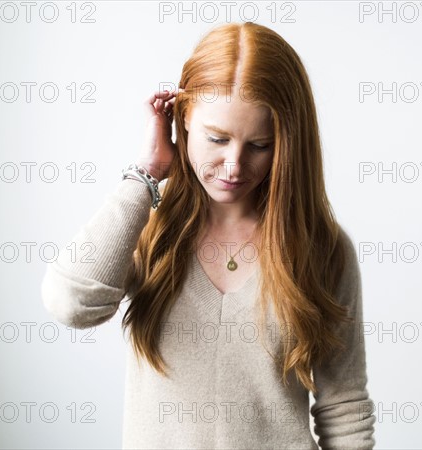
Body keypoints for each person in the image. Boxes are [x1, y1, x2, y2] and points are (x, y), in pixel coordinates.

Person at [41, 21, 376, 449]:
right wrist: (144, 177)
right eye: (217, 138)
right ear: (180, 121)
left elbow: (343, 406)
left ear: (287, 143)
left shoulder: (323, 250)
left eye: (259, 145)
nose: (234, 165)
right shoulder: (147, 225)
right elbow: (71, 305)